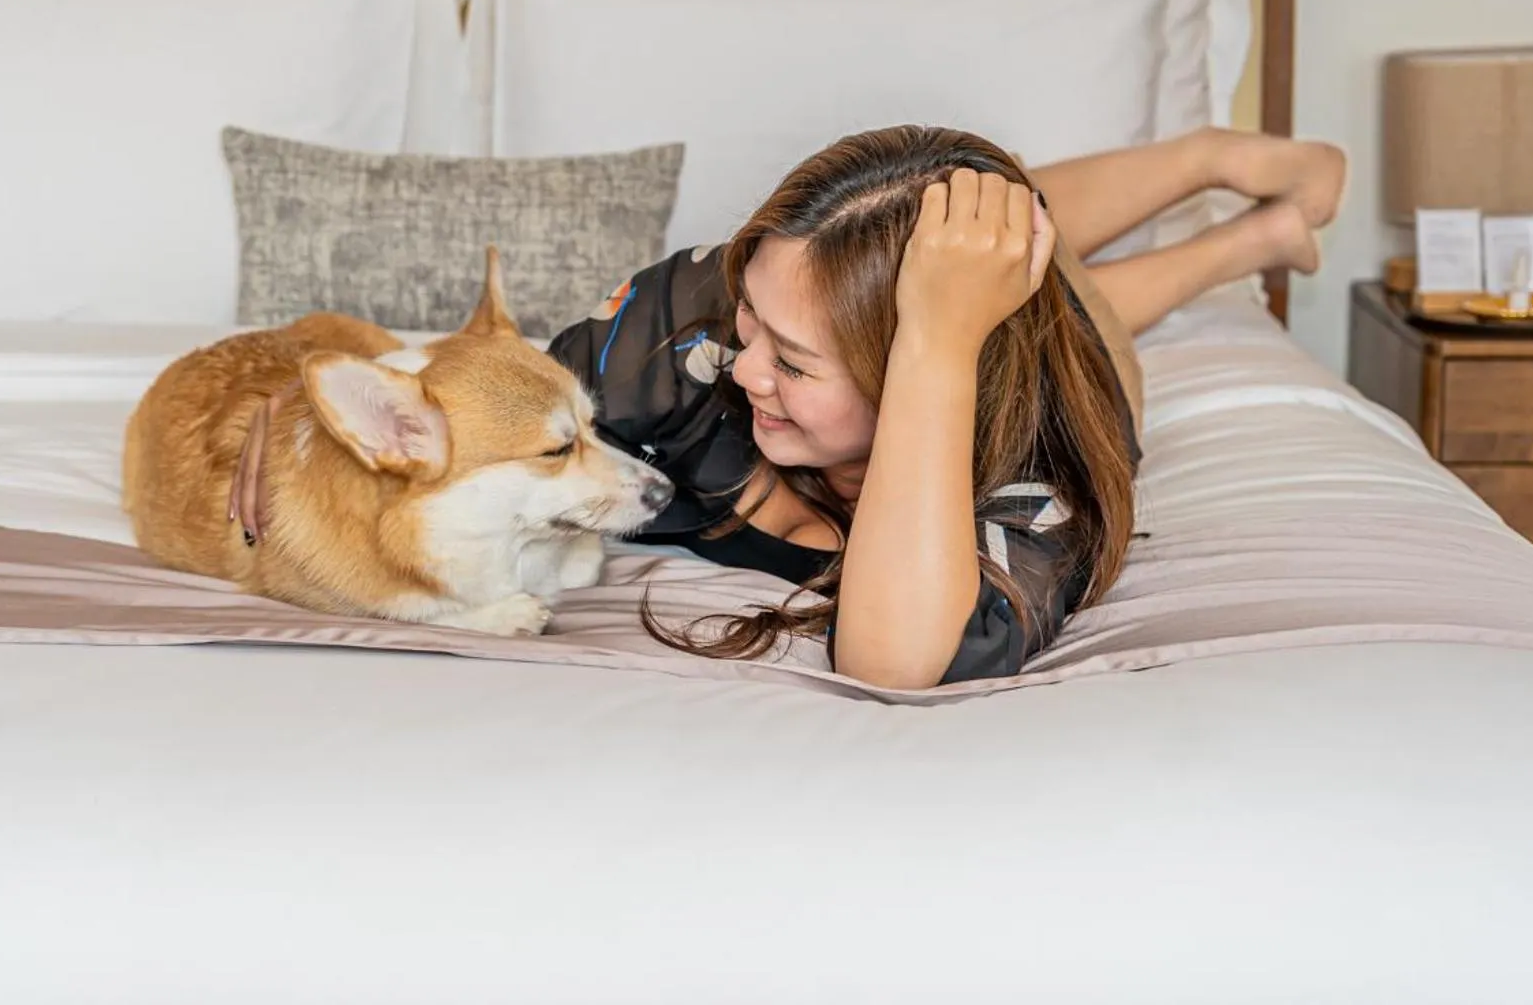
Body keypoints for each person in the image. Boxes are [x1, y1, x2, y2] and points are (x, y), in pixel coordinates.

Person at [546, 124, 1346, 690]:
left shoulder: (1040, 468)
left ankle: (1221, 182)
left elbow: (894, 660)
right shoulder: (705, 315)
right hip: (902, 311)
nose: (744, 367)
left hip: (1070, 360)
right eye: (749, 317)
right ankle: (1255, 219)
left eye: (791, 362)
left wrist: (937, 340)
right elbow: (509, 413)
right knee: (997, 230)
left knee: (1076, 298)